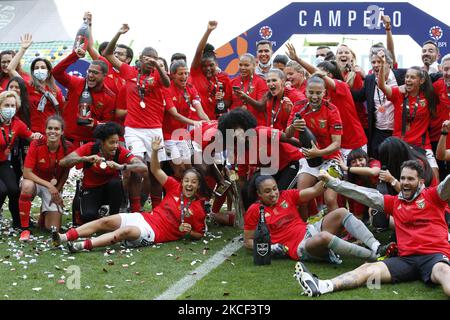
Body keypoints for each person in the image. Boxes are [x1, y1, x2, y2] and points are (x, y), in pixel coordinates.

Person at [295, 160, 450, 297]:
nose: (405, 182)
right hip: (405, 261)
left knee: (444, 272)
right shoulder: (394, 202)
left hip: (434, 257)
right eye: (403, 178)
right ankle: (322, 286)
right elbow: (360, 193)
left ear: (421, 181)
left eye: (410, 178)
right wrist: (331, 181)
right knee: (368, 269)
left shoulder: (433, 196)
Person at [52, 136, 210, 252]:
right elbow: (155, 170)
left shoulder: (198, 209)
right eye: (187, 181)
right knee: (105, 221)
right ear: (182, 182)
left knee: (124, 232)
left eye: (193, 182)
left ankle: (82, 245)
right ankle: (64, 237)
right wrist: (154, 152)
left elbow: (199, 234)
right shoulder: (174, 186)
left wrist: (190, 232)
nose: (189, 184)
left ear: (198, 186)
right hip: (145, 218)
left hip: (154, 233)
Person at [103, 23, 171, 212]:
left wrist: (158, 65)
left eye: (155, 59)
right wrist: (118, 33)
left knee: (156, 172)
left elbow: (166, 83)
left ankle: (157, 210)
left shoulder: (159, 75)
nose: (151, 61)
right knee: (136, 169)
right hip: (133, 129)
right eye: (148, 58)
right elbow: (108, 54)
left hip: (155, 130)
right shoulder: (129, 72)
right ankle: (135, 209)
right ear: (140, 59)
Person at [244, 175, 384, 262]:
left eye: (274, 188)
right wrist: (270, 247)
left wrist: (326, 176)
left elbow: (315, 191)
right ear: (259, 194)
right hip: (298, 247)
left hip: (310, 230)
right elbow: (248, 242)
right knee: (323, 237)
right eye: (267, 191)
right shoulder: (254, 210)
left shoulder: (286, 195)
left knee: (341, 212)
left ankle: (376, 247)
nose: (273, 194)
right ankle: (372, 257)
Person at [286, 43, 367, 162]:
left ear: (328, 75)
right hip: (334, 147)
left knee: (355, 178)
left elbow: (316, 72)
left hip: (354, 144)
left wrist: (297, 59)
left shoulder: (341, 86)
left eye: (319, 74)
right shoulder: (318, 95)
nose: (315, 77)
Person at [59, 122, 147, 223]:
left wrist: (121, 166)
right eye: (111, 142)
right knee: (88, 216)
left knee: (116, 184)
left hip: (111, 191)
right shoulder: (90, 148)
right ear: (102, 142)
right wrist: (85, 159)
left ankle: (114, 218)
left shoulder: (120, 151)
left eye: (117, 142)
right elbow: (63, 162)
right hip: (91, 190)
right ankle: (98, 213)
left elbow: (143, 167)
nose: (115, 146)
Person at [217, 108, 303, 209]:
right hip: (271, 170)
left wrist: (311, 151)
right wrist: (241, 200)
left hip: (292, 163)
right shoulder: (238, 149)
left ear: (245, 125)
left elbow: (289, 139)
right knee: (248, 190)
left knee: (277, 194)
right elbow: (242, 178)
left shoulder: (262, 132)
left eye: (237, 128)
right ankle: (253, 217)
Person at [285, 75, 342, 219]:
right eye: (311, 92)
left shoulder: (332, 110)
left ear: (324, 93)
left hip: (330, 159)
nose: (314, 96)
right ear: (305, 91)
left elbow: (337, 144)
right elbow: (287, 134)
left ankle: (334, 232)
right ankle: (302, 232)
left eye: (318, 93)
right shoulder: (299, 106)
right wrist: (293, 126)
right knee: (301, 198)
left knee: (330, 199)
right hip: (309, 158)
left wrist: (319, 152)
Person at [377, 51, 439, 179]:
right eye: (407, 77)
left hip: (422, 145)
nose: (408, 80)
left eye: (412, 77)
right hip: (400, 145)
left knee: (434, 176)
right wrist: (383, 64)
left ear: (421, 80)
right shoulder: (398, 94)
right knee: (400, 176)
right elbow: (382, 86)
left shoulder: (428, 96)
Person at [18, 115, 72, 241]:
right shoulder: (36, 144)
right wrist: (49, 186)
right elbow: (26, 173)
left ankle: (43, 216)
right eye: (50, 128)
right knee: (27, 186)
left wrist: (57, 189)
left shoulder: (67, 147)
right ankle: (24, 229)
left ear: (62, 131)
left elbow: (65, 172)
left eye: (57, 129)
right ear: (45, 130)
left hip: (53, 186)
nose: (53, 131)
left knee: (53, 228)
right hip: (35, 181)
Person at [52, 47, 116, 147]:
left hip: (89, 143)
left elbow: (108, 123)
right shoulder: (76, 83)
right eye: (89, 71)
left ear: (104, 75)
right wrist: (74, 56)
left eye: (95, 73)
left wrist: (95, 123)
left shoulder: (109, 96)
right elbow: (56, 72)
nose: (90, 75)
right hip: (67, 140)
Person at [351, 47, 406, 159]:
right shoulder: (370, 79)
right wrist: (339, 83)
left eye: (379, 62)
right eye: (373, 62)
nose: (376, 65)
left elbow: (423, 77)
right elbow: (358, 96)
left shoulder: (402, 76)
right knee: (377, 162)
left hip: (399, 132)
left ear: (389, 64)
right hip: (378, 132)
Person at [6, 34, 64, 134]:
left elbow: (60, 113)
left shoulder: (56, 91)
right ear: (32, 72)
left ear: (49, 71)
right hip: (32, 133)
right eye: (36, 68)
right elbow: (11, 69)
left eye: (42, 67)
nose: (39, 70)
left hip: (50, 133)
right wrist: (23, 49)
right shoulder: (28, 86)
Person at [0, 91, 42, 229]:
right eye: (6, 105)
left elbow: (31, 137)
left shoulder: (17, 123)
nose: (10, 108)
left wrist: (41, 136)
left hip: (3, 162)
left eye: (13, 105)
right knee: (1, 190)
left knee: (13, 189)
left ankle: (18, 222)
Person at [163, 59, 209, 176]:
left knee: (189, 168)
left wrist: (209, 123)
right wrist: (194, 122)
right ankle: (178, 193)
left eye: (186, 73)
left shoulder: (190, 88)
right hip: (167, 136)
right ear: (173, 75)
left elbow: (200, 110)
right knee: (180, 169)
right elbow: (174, 114)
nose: (184, 76)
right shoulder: (167, 89)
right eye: (181, 74)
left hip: (182, 135)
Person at [189, 21, 232, 120]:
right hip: (198, 122)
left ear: (216, 64)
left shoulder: (223, 77)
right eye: (204, 66)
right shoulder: (196, 74)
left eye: (211, 65)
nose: (208, 68)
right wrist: (208, 31)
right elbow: (199, 52)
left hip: (216, 122)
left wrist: (220, 100)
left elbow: (228, 102)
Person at [230, 53, 268, 126]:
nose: (243, 68)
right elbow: (227, 104)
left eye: (246, 65)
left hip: (255, 125)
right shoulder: (232, 82)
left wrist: (246, 98)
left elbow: (261, 107)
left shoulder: (261, 82)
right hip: (235, 125)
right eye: (240, 65)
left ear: (254, 66)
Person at [6, 77, 31, 186]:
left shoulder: (27, 106)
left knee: (18, 179)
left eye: (17, 87)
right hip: (7, 145)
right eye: (11, 86)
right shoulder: (3, 105)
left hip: (23, 143)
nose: (14, 89)